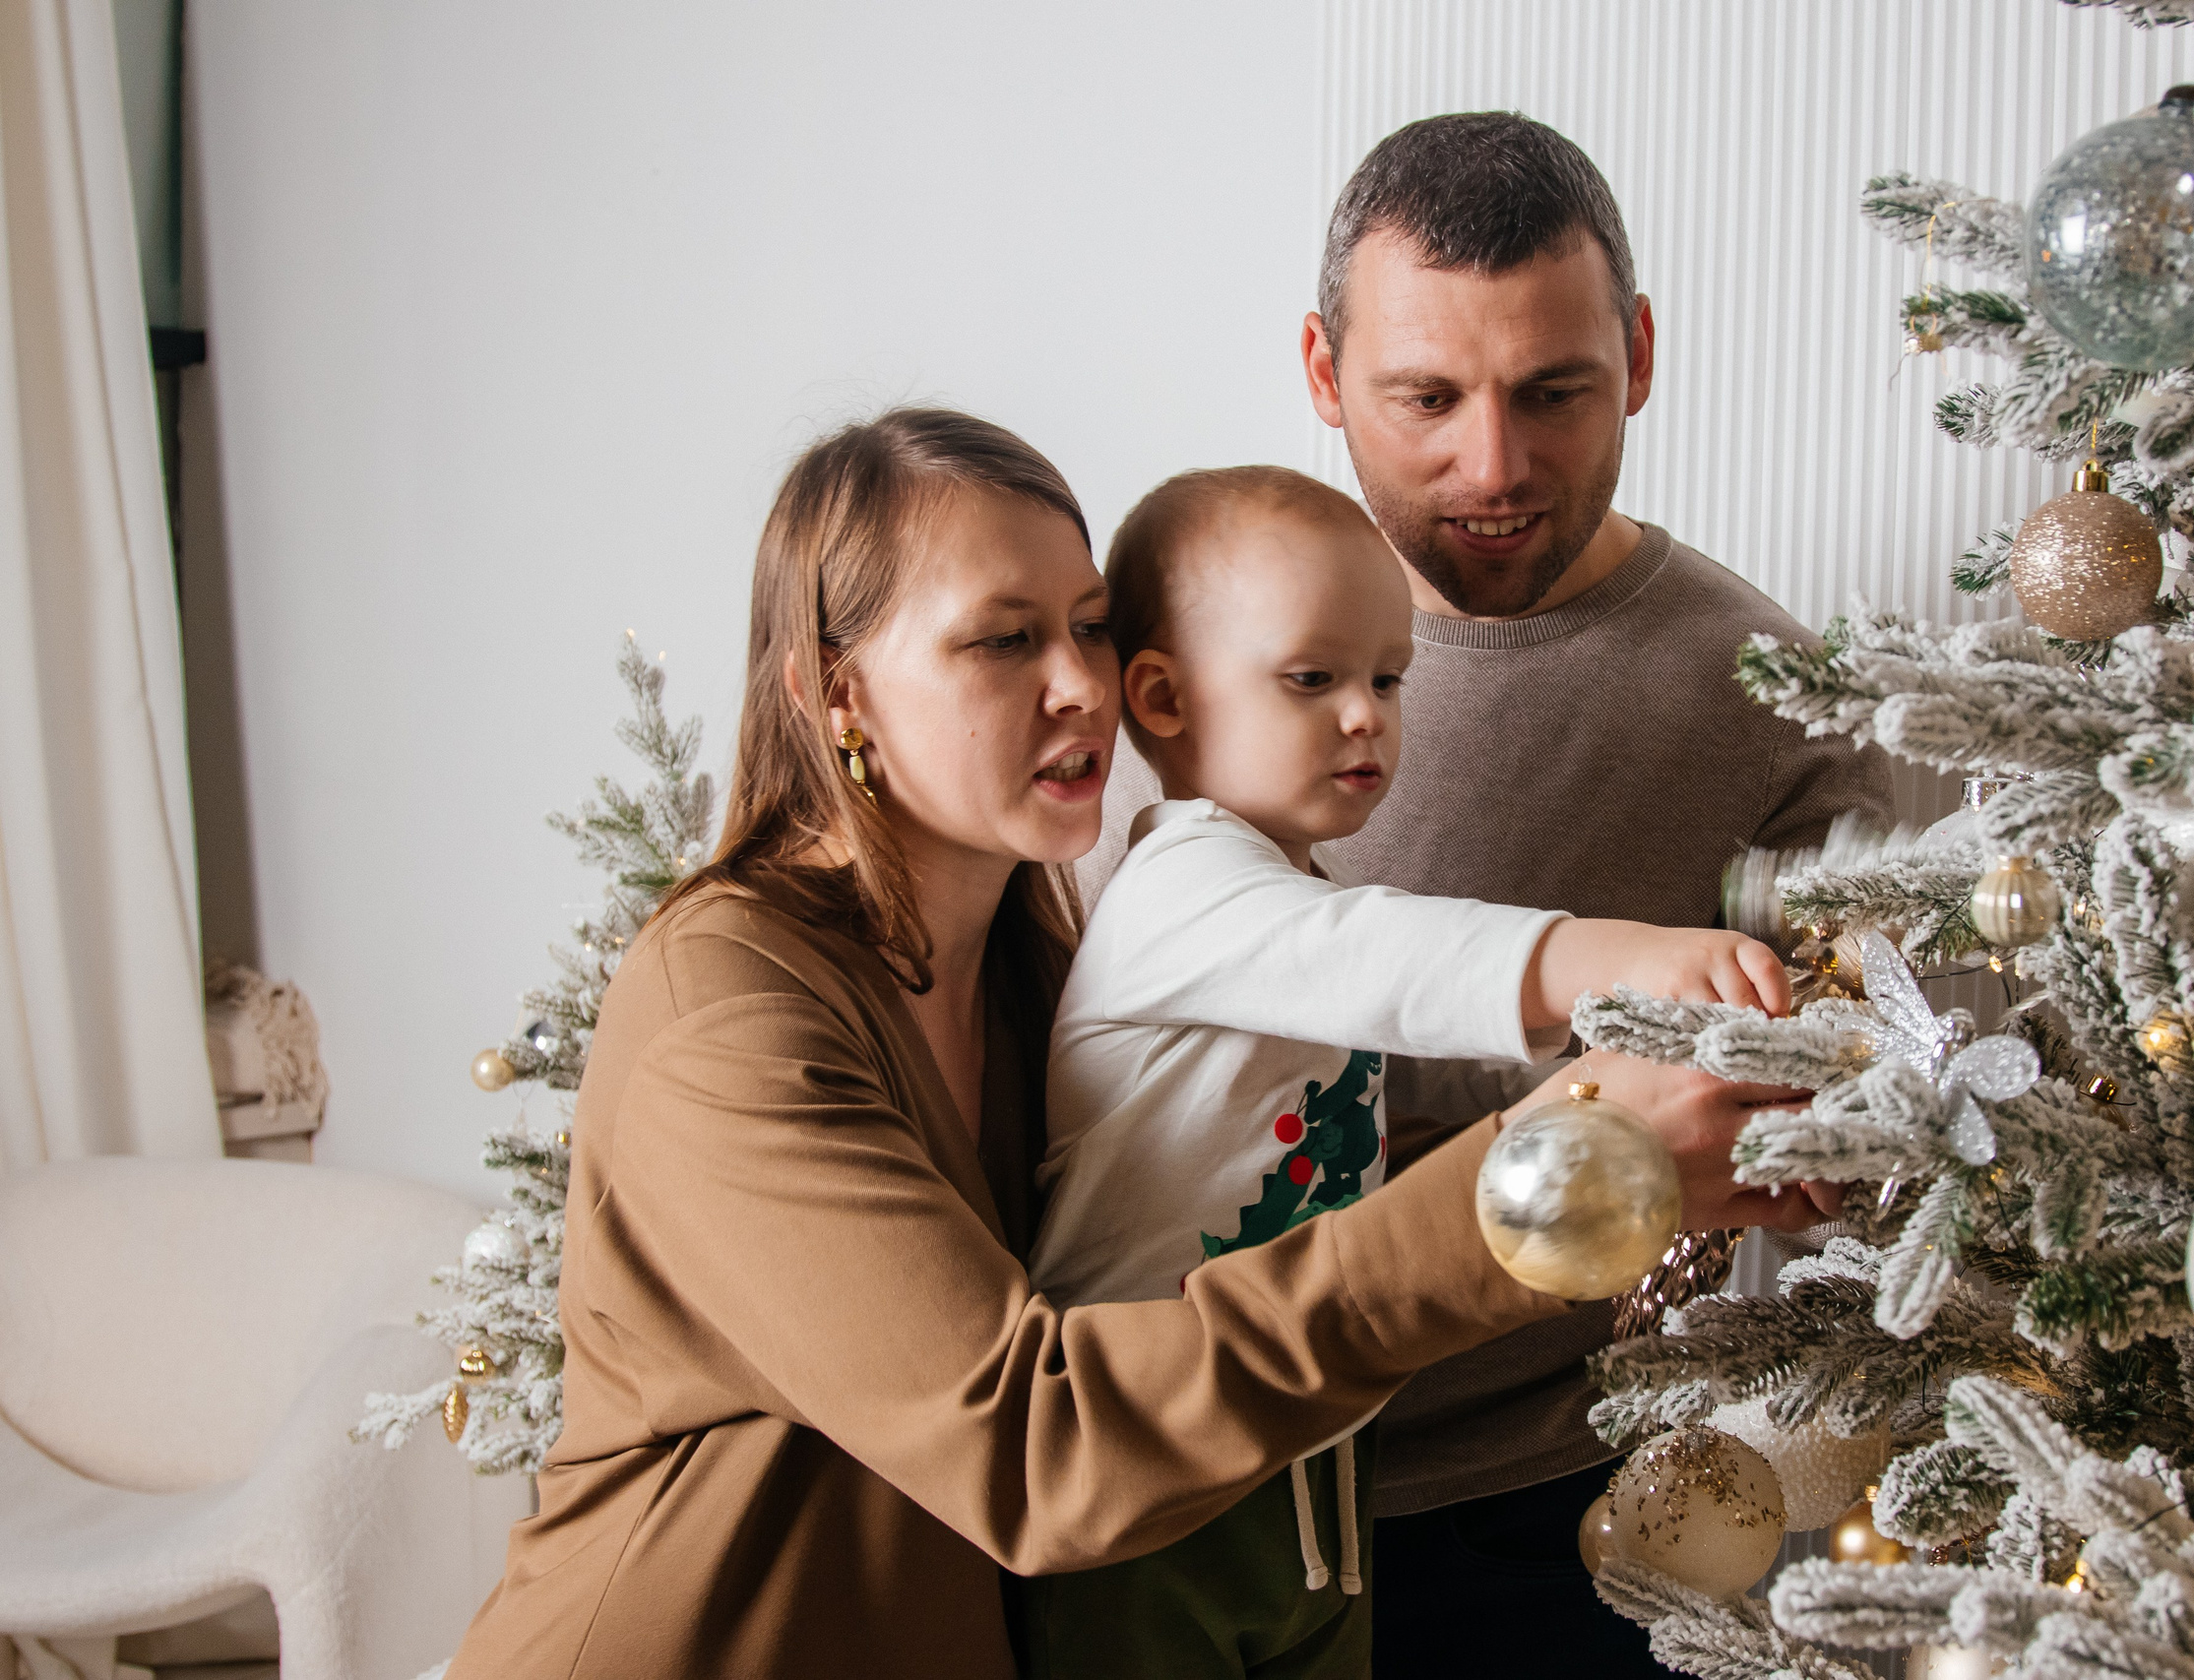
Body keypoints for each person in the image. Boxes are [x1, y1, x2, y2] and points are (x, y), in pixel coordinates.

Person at [443, 407, 1757, 1680]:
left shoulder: (1027, 961)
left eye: (1086, 625)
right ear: (837, 693)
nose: (1080, 685)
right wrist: (1548, 1181)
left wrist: (1665, 1137)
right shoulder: (729, 1016)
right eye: (1003, 640)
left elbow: (1235, 1169)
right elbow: (1033, 1443)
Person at [1083, 112, 1895, 1675]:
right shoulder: (1188, 632)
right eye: (1427, 398)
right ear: (1324, 374)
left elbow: (1847, 1137)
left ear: (1639, 355)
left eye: (1554, 393)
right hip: (1194, 1462)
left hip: (1536, 1522)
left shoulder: (1781, 706)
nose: (1495, 465)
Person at [1020, 465, 1794, 1679]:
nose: (1365, 715)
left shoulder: (1279, 894)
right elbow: (1403, 959)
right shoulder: (1183, 891)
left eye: (1386, 678)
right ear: (1161, 698)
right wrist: (1625, 956)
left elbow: (1409, 1080)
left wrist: (1619, 1090)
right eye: (1311, 679)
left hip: (1299, 1458)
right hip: (1147, 1473)